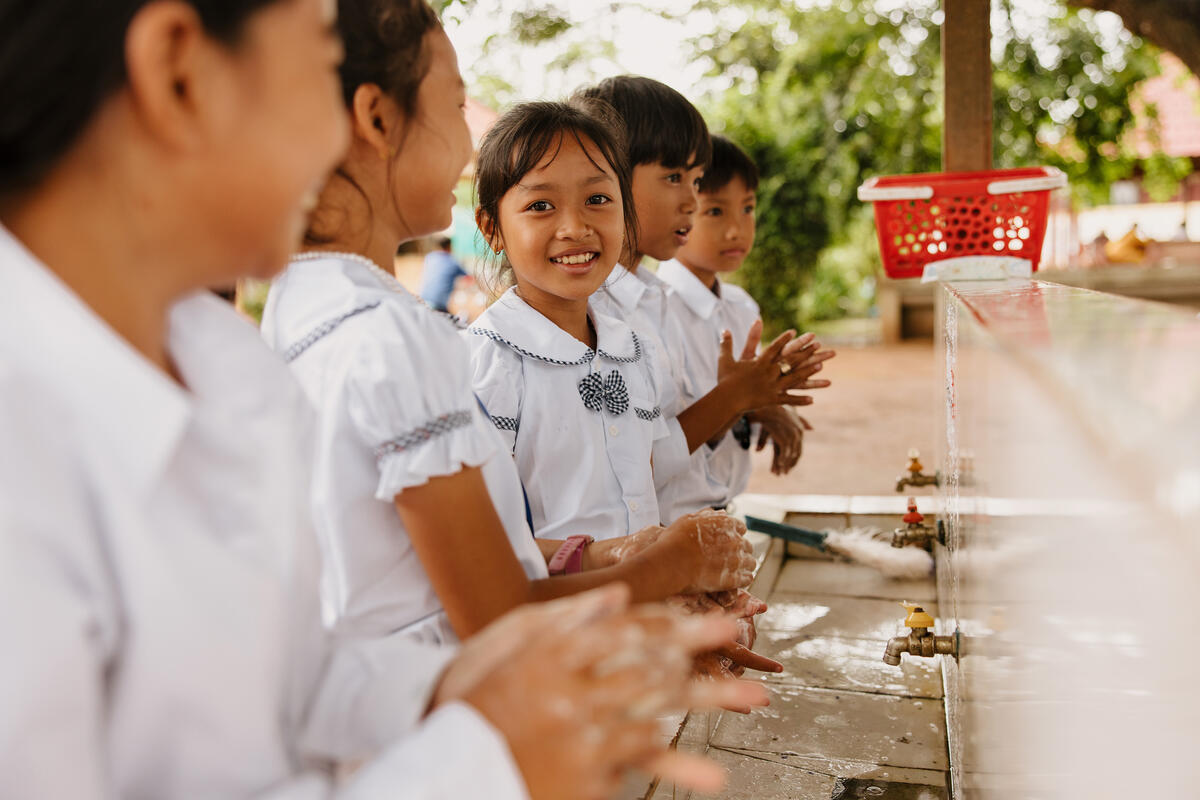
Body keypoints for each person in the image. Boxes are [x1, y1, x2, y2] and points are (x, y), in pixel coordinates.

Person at [0, 0, 766, 796]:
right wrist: (491, 757)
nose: (341, 133)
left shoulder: (213, 353)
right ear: (181, 74)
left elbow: (284, 674)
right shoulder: (24, 438)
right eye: (316, 72)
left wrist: (485, 690)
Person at [261, 0, 760, 649]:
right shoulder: (400, 342)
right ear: (378, 118)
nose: (468, 141)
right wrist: (668, 568)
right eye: (454, 104)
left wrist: (615, 563)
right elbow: (495, 611)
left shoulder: (299, 304)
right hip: (441, 708)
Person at [574, 77, 834, 523]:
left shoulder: (649, 299)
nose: (692, 203)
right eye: (675, 178)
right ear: (608, 177)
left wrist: (747, 397)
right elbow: (628, 471)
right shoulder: (588, 310)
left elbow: (670, 437)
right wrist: (734, 398)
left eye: (696, 182)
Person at [658, 135, 826, 518]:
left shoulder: (740, 306)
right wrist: (745, 403)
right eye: (715, 212)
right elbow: (656, 444)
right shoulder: (655, 312)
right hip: (668, 522)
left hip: (724, 510)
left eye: (747, 208)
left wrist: (767, 395)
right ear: (681, 211)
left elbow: (744, 397)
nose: (737, 229)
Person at [418, 235, 468, 312]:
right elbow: (469, 278)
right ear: (449, 246)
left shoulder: (430, 257)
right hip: (440, 304)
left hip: (422, 300)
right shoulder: (453, 261)